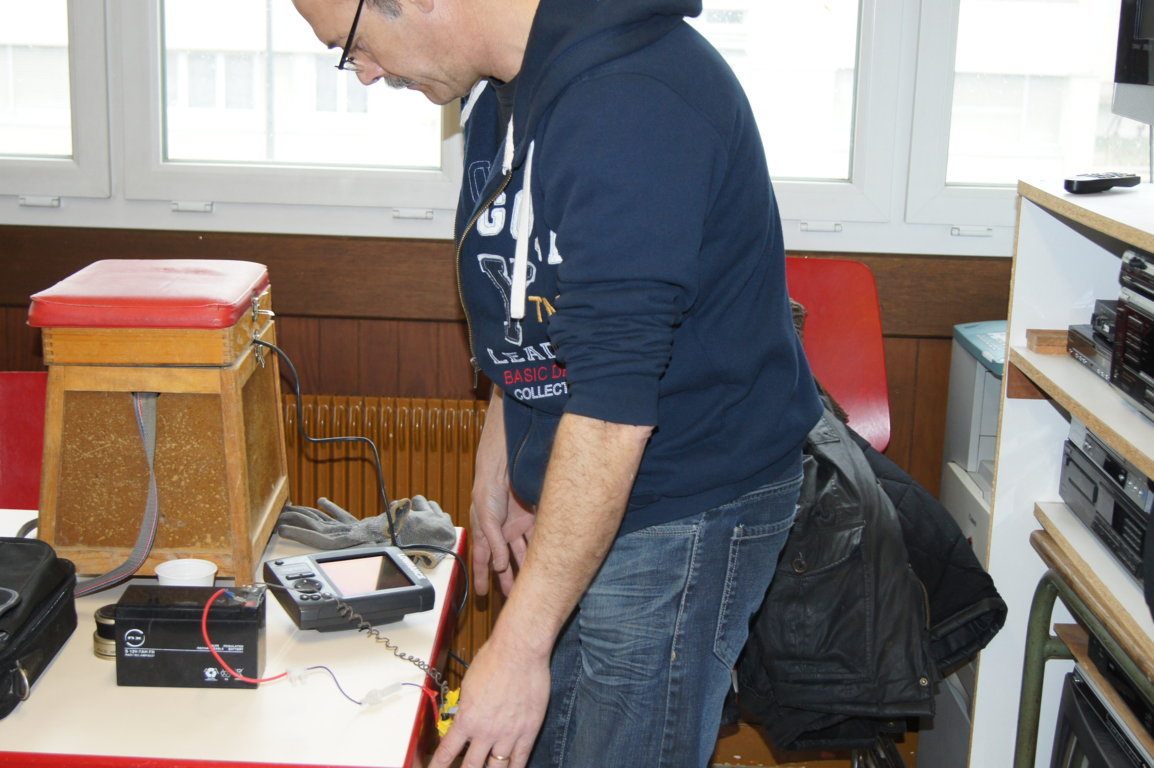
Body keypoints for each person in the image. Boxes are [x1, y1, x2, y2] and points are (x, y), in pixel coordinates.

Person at [290, 1, 824, 766]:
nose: (366, 72)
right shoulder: (505, 88)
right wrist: (503, 455)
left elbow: (613, 405)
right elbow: (533, 297)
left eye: (350, 45)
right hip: (600, 481)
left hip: (682, 500)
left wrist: (518, 646)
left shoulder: (632, 101)